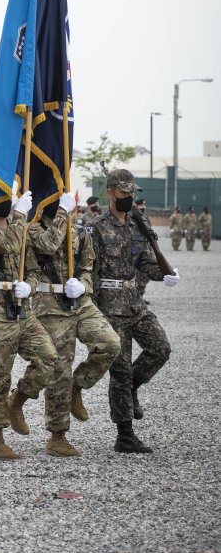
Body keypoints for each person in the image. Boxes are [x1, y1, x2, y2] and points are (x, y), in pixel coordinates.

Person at [92, 169, 180, 454]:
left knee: (160, 348)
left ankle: (132, 389)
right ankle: (125, 435)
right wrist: (89, 310)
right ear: (111, 192)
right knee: (119, 371)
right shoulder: (96, 226)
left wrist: (164, 274)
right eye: (123, 192)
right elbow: (89, 269)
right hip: (109, 306)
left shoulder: (138, 223)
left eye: (132, 193)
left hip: (134, 301)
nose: (129, 197)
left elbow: (145, 261)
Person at [28, 192, 121, 458]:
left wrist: (83, 284)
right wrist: (62, 215)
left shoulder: (81, 232)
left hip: (80, 302)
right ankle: (57, 436)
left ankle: (77, 386)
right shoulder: (33, 229)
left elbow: (89, 267)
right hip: (49, 304)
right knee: (59, 367)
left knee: (109, 344)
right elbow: (48, 244)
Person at [0, 191, 59, 460]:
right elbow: (6, 245)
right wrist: (21, 216)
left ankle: (17, 400)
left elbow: (33, 269)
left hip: (24, 310)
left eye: (8, 195)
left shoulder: (16, 227)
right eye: (1, 195)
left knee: (48, 357)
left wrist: (30, 285)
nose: (6, 200)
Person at [133, 198, 153, 300]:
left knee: (145, 275)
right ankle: (136, 296)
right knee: (136, 275)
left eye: (144, 206)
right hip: (136, 249)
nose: (143, 207)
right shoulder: (132, 217)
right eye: (141, 206)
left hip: (146, 248)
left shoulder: (146, 218)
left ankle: (141, 295)